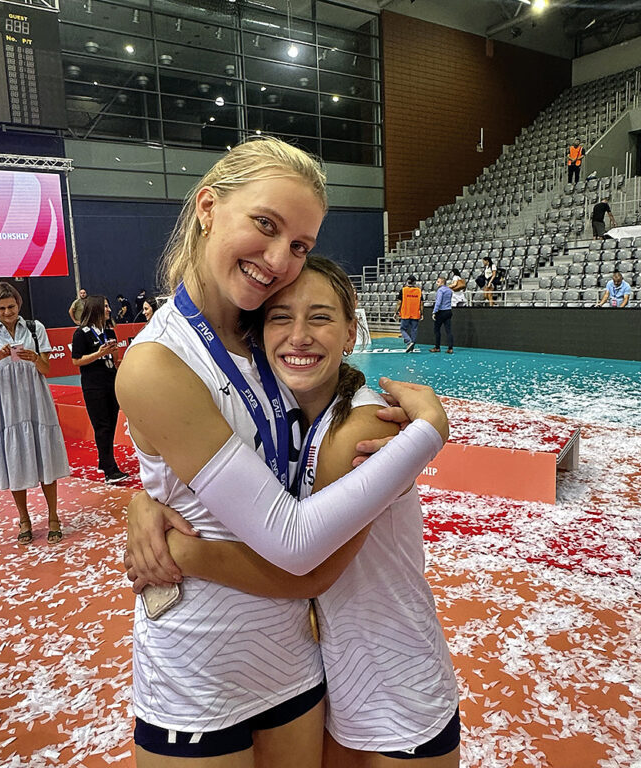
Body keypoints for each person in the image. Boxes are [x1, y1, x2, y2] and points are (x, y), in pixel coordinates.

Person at [115, 137, 449, 766]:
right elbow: (291, 541)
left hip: (296, 663)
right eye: (265, 225)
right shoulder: (157, 362)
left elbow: (284, 475)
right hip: (199, 666)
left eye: (299, 246)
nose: (278, 259)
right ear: (208, 206)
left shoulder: (266, 335)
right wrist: (143, 499)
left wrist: (159, 516)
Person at [0, 282, 69, 545]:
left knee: (45, 457)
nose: (7, 312)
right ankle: (24, 519)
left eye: (11, 306)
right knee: (14, 459)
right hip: (5, 405)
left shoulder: (35, 328)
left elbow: (46, 369)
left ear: (18, 304)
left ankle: (54, 517)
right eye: (1, 308)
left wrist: (35, 358)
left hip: (36, 399)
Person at [71, 295, 128, 484]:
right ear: (95, 308)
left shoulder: (109, 332)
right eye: (105, 306)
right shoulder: (81, 334)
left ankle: (106, 463)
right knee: (102, 426)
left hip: (110, 380)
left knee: (111, 424)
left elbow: (115, 358)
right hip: (93, 385)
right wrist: (99, 353)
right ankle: (110, 470)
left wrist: (111, 351)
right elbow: (76, 360)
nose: (108, 309)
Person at [394, 274, 423, 353]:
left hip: (405, 313)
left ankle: (409, 342)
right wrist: (422, 313)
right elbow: (421, 304)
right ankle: (412, 346)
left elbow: (399, 303)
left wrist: (395, 312)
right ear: (414, 282)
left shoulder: (403, 290)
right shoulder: (419, 291)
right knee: (414, 330)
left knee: (403, 329)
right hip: (415, 314)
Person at [429, 276, 454, 354]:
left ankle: (437, 347)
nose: (437, 283)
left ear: (441, 282)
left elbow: (438, 302)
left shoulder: (440, 290)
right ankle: (450, 348)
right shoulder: (449, 290)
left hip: (441, 312)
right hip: (448, 311)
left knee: (437, 330)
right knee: (448, 330)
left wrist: (434, 312)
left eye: (438, 281)